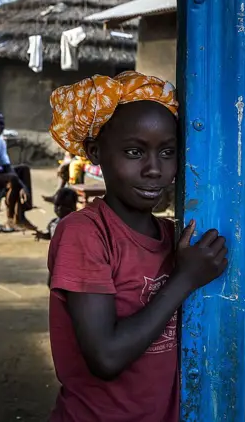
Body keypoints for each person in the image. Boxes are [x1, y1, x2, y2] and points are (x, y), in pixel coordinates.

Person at [46, 71, 229, 421]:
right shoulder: (84, 234)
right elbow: (106, 357)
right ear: (94, 152)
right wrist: (184, 279)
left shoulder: (172, 235)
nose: (154, 170)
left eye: (168, 152)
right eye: (134, 152)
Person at [0, 109, 36, 231]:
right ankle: (11, 219)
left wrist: (23, 186)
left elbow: (7, 166)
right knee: (13, 179)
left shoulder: (0, 141)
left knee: (23, 170)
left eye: (1, 124)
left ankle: (21, 216)